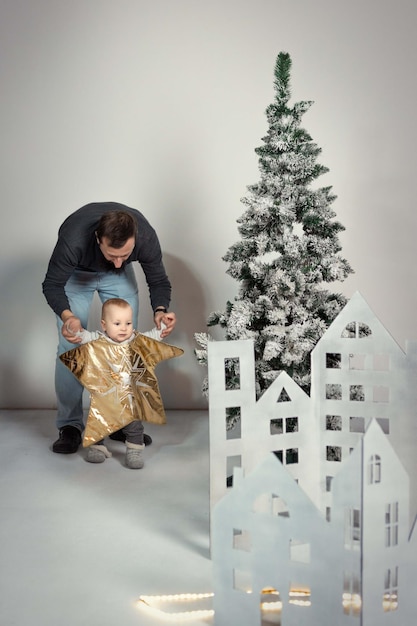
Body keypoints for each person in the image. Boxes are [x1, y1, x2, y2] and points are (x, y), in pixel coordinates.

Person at [42, 202, 176, 455]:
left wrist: (160, 310)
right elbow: (52, 285)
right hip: (77, 273)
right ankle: (70, 426)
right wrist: (68, 316)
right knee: (71, 346)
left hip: (119, 282)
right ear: (97, 239)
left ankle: (117, 421)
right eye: (112, 255)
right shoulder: (74, 240)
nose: (117, 263)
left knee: (123, 346)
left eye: (125, 255)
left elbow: (157, 279)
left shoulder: (145, 237)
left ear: (134, 239)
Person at [69, 298, 167, 469]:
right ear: (104, 325)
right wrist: (74, 330)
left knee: (134, 424)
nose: (124, 328)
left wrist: (163, 327)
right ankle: (98, 447)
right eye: (117, 323)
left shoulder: (134, 339)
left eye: (128, 323)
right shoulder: (98, 339)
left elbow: (153, 336)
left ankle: (134, 450)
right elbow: (82, 336)